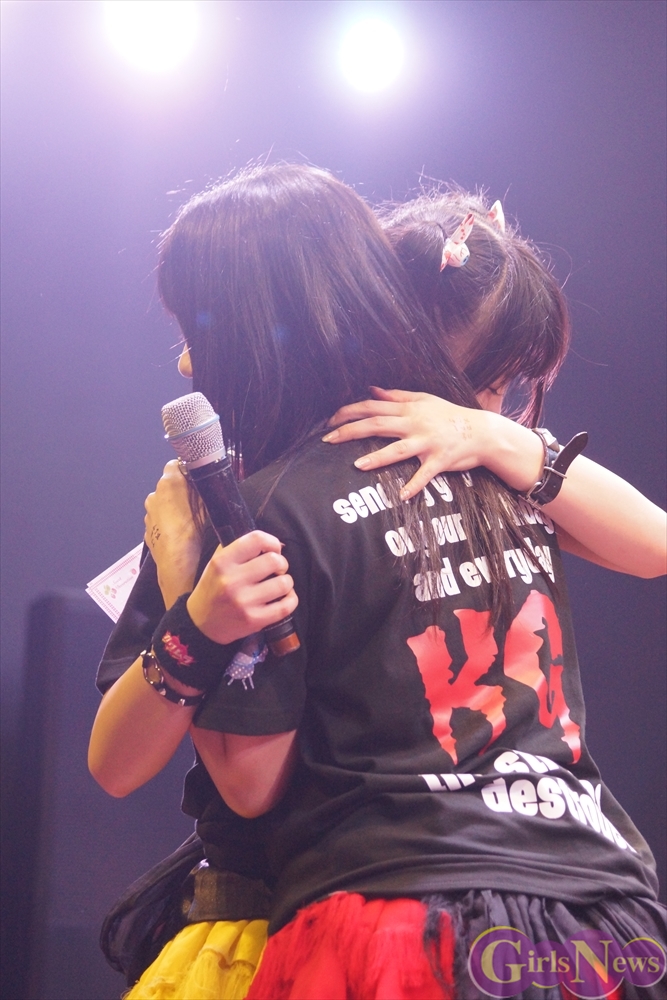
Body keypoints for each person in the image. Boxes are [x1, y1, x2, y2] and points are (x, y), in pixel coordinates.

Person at [89, 166, 666, 1000]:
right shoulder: (218, 510)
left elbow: (653, 544)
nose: (487, 408)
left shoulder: (488, 465)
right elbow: (120, 761)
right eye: (479, 381)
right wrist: (193, 605)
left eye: (502, 391)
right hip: (570, 911)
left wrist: (489, 437)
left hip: (387, 904)